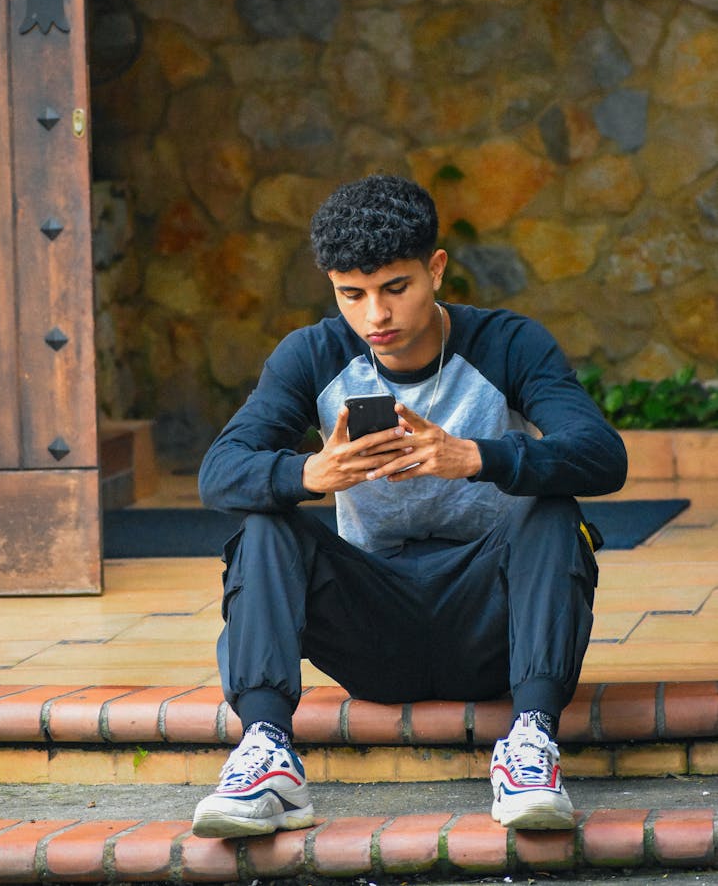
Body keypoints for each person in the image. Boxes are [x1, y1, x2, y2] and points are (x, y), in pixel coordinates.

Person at [191, 174, 627, 839]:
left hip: (493, 625)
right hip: (374, 629)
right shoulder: (312, 354)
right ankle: (266, 753)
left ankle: (531, 745)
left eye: (396, 287)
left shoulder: (509, 343)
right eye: (353, 294)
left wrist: (480, 456)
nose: (376, 316)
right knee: (267, 521)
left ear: (436, 269)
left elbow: (601, 453)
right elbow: (220, 471)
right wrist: (312, 470)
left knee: (552, 508)